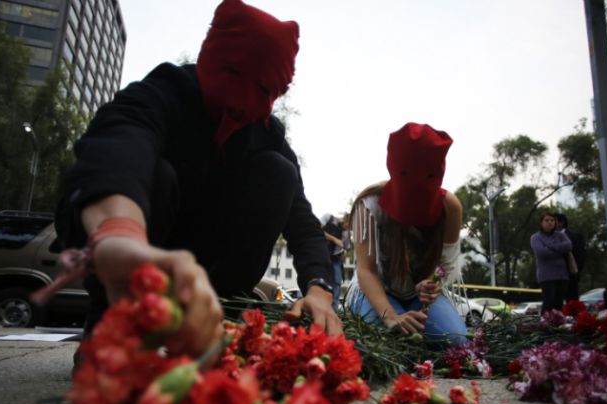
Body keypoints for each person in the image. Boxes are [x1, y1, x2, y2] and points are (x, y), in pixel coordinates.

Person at [54, 0, 342, 361]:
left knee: (279, 172)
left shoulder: (266, 135)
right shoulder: (163, 92)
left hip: (203, 259)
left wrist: (319, 288)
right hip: (120, 239)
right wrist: (120, 233)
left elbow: (302, 223)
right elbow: (118, 150)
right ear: (211, 59)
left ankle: (221, 317)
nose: (246, 101)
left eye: (265, 91)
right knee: (154, 174)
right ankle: (112, 323)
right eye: (233, 74)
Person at [344, 122, 468, 347]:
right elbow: (366, 270)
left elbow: (445, 265)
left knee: (456, 339)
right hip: (375, 290)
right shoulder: (370, 204)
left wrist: (430, 284)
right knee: (379, 340)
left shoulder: (450, 207)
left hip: (418, 298)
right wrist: (391, 316)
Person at [530, 212, 572, 313]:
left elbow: (568, 246)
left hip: (562, 275)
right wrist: (560, 250)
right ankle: (545, 322)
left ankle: (558, 322)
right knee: (549, 302)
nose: (550, 222)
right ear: (541, 223)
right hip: (546, 276)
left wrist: (550, 246)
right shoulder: (536, 237)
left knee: (559, 304)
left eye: (552, 220)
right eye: (547, 220)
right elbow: (542, 252)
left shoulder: (560, 235)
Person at [553, 213, 586, 301]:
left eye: (553, 221)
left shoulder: (575, 237)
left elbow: (580, 256)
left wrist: (575, 272)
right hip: (552, 277)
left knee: (572, 303)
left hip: (570, 277)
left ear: (561, 223)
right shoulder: (547, 238)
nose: (550, 223)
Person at [320, 213, 348, 311]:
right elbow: (317, 231)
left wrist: (344, 252)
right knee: (322, 282)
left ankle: (333, 311)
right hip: (322, 255)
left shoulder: (345, 232)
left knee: (337, 283)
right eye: (347, 225)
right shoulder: (328, 218)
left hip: (336, 259)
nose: (347, 228)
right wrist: (334, 239)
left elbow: (345, 246)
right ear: (344, 219)